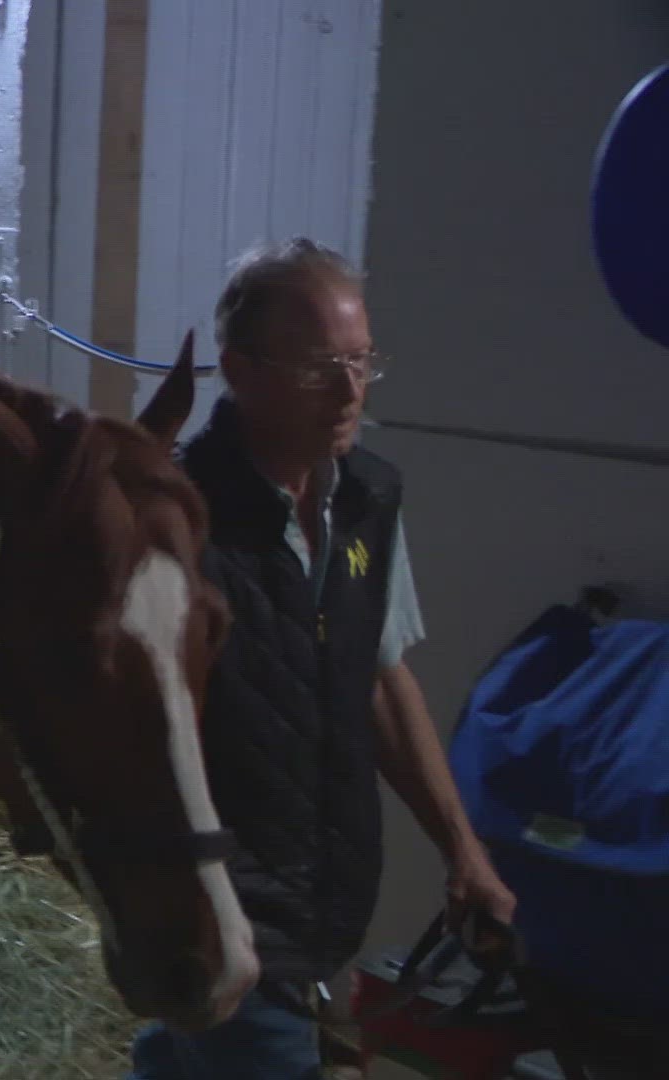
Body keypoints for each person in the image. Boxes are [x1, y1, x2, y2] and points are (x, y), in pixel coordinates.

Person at [125, 238, 518, 1079]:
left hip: (325, 903)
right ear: (239, 369)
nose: (350, 391)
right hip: (225, 916)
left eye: (361, 359)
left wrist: (463, 851)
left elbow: (377, 676)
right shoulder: (180, 521)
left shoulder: (368, 497)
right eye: (318, 367)